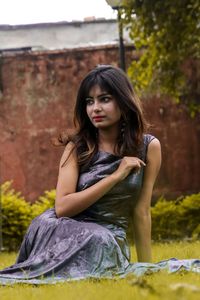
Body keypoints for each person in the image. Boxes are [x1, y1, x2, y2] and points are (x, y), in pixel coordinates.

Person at [0, 65, 199, 284]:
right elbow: (62, 208)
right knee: (97, 238)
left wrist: (147, 267)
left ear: (123, 102)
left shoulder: (149, 147)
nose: (95, 108)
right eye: (89, 101)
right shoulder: (78, 147)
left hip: (109, 237)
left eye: (104, 99)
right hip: (62, 227)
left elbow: (141, 210)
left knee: (102, 240)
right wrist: (115, 176)